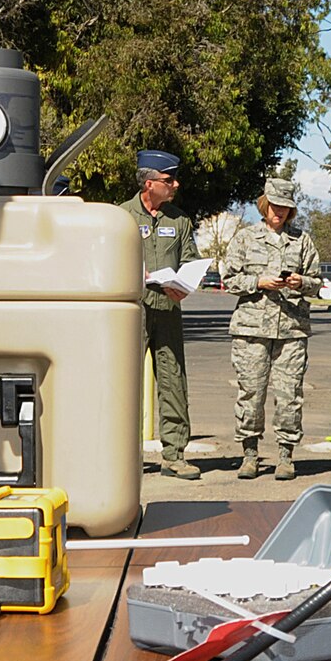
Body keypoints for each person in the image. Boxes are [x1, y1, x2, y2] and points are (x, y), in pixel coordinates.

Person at [225, 176, 323, 480]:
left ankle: (285, 455)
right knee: (251, 393)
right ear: (264, 204)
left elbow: (317, 282)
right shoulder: (245, 238)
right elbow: (229, 279)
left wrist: (300, 282)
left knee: (289, 394)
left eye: (285, 208)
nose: (279, 212)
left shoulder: (302, 240)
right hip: (251, 329)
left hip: (291, 330)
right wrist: (258, 282)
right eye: (275, 206)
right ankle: (250, 454)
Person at [123, 149, 200, 479]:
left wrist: (183, 284)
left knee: (173, 380)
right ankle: (123, 456)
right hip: (131, 312)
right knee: (124, 382)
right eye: (169, 181)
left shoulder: (179, 220)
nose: (175, 185)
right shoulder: (122, 217)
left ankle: (174, 454)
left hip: (168, 308)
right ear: (149, 184)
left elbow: (191, 261)